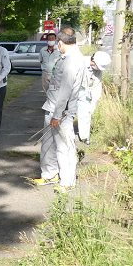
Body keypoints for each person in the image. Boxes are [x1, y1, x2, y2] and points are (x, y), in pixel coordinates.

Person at [33, 27, 85, 194]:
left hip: (61, 112)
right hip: (52, 107)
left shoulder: (74, 60)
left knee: (64, 147)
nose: (57, 46)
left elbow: (66, 90)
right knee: (48, 144)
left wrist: (57, 115)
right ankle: (50, 173)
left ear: (61, 43)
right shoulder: (67, 57)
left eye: (58, 44)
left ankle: (68, 181)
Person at [77, 51, 111, 144]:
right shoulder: (80, 62)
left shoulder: (98, 70)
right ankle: (65, 137)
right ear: (93, 61)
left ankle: (84, 137)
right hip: (72, 91)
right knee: (68, 114)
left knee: (85, 115)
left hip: (85, 92)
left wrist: (94, 102)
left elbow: (97, 86)